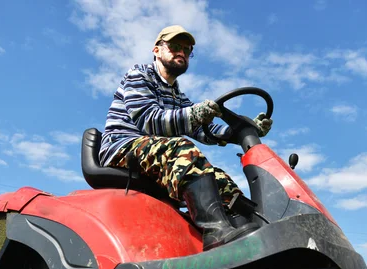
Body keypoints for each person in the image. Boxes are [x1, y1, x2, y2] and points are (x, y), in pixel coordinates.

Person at [101, 25, 273, 251]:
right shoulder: (139, 75)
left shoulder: (178, 96)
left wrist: (241, 131)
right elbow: (149, 119)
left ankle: (248, 228)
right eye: (174, 46)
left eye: (186, 49)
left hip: (154, 152)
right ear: (156, 50)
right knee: (182, 150)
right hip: (122, 147)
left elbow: (203, 129)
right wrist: (195, 114)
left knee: (217, 177)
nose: (181, 52)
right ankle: (215, 231)